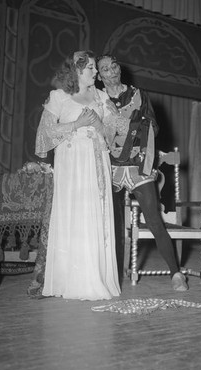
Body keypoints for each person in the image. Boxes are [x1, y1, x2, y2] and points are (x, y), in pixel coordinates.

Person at [95, 54, 188, 292]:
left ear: (119, 68)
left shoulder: (139, 95)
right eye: (105, 68)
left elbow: (153, 128)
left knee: (155, 221)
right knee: (107, 224)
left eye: (114, 65)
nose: (111, 71)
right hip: (110, 166)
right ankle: (107, 277)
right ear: (99, 75)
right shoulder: (98, 98)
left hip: (138, 165)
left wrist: (127, 129)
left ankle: (176, 274)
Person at [34, 50, 121, 300]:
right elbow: (44, 134)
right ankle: (68, 280)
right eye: (91, 68)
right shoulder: (59, 96)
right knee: (73, 214)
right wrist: (77, 124)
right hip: (71, 162)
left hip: (95, 160)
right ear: (76, 70)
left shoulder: (102, 98)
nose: (96, 72)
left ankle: (95, 277)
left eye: (95, 67)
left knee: (93, 213)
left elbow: (112, 137)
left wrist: (97, 124)